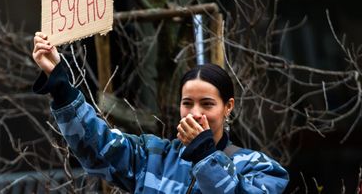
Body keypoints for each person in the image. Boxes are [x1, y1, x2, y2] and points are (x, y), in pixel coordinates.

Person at [32, 32, 289, 193]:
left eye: (207, 104)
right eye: (187, 103)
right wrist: (59, 82)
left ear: (228, 107)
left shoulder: (259, 168)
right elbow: (97, 147)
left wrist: (205, 154)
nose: (195, 113)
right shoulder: (153, 156)